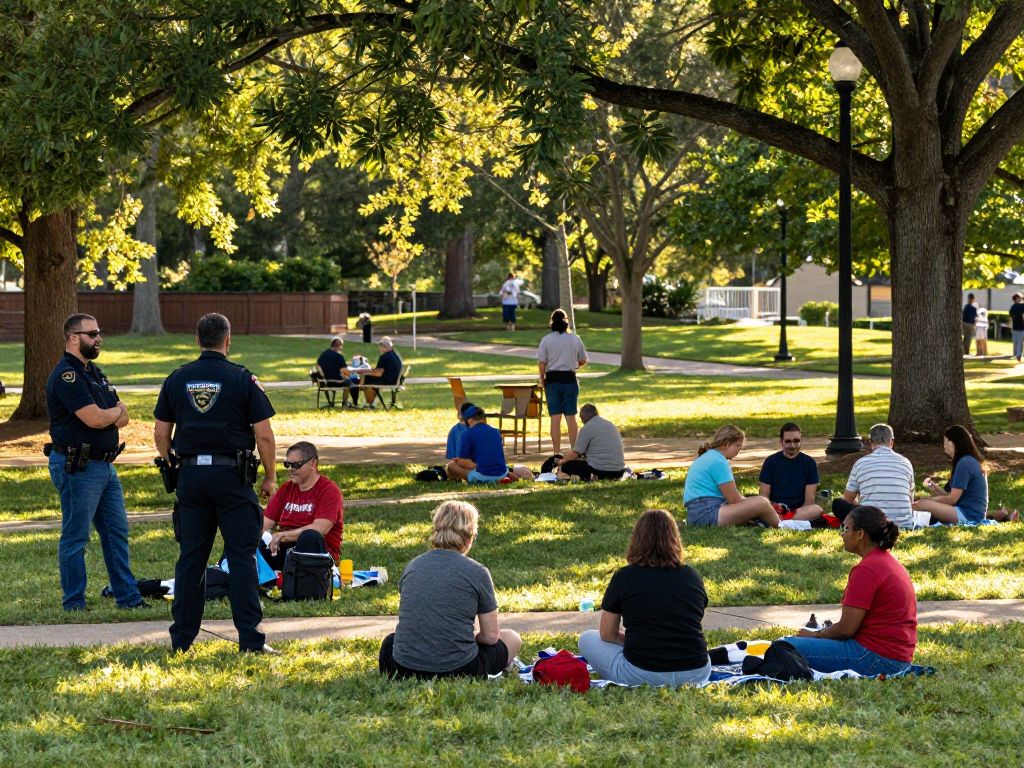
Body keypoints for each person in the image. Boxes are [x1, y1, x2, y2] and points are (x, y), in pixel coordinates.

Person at [154, 313, 278, 654]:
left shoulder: (177, 378)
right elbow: (264, 436)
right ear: (228, 339)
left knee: (191, 559)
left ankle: (181, 641)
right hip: (232, 478)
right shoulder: (242, 378)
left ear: (197, 340)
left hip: (191, 478)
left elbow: (161, 434)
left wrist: (173, 466)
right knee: (241, 559)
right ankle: (251, 642)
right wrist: (270, 476)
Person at [45, 314, 146, 612]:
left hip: (104, 465)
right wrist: (113, 412)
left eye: (99, 333)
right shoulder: (67, 376)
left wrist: (111, 413)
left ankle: (128, 598)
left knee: (117, 533)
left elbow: (123, 417)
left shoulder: (95, 373)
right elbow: (95, 417)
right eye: (92, 334)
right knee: (76, 536)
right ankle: (74, 603)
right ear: (73, 338)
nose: (99, 338)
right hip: (78, 466)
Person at [379, 501, 522, 679]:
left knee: (390, 641)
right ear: (471, 536)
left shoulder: (413, 566)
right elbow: (492, 636)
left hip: (404, 667)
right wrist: (471, 638)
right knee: (512, 638)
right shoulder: (477, 572)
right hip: (460, 668)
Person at [578, 509, 712, 687]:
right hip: (697, 671)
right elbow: (688, 624)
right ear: (675, 539)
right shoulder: (692, 576)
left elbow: (607, 633)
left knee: (587, 638)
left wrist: (635, 640)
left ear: (637, 539)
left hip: (642, 673)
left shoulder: (624, 577)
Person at [784, 505, 917, 677]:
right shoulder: (886, 561)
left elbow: (846, 630)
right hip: (897, 659)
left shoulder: (867, 569)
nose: (842, 534)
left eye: (846, 528)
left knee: (786, 646)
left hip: (876, 659)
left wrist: (815, 635)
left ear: (860, 534)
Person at [260, 441, 343, 569]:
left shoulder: (329, 490)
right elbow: (265, 525)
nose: (291, 469)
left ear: (313, 463)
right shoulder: (286, 489)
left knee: (309, 536)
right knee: (249, 532)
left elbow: (319, 529)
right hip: (286, 549)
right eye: (288, 464)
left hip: (317, 553)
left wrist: (282, 535)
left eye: (296, 465)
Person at [683, 425, 780, 528]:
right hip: (707, 514)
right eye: (738, 446)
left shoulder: (708, 455)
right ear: (726, 444)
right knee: (762, 503)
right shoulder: (718, 461)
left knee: (751, 500)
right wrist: (753, 504)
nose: (739, 450)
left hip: (696, 515)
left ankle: (760, 522)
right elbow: (734, 500)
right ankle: (783, 526)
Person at [831, 423, 914, 528]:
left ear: (870, 442)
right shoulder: (906, 462)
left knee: (838, 504)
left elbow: (847, 500)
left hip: (870, 524)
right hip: (905, 523)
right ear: (892, 442)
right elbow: (911, 500)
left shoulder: (860, 463)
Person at [913, 425, 988, 526]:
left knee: (921, 504)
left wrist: (928, 501)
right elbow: (953, 496)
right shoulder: (968, 461)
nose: (944, 445)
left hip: (968, 515)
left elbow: (951, 500)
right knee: (922, 504)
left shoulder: (965, 463)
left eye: (945, 441)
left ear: (952, 443)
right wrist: (937, 489)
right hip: (968, 512)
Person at [537, 308, 588, 454]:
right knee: (571, 417)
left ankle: (556, 452)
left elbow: (542, 363)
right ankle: (574, 451)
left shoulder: (546, 340)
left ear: (552, 322)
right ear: (566, 321)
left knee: (555, 418)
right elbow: (583, 359)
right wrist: (575, 365)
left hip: (552, 380)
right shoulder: (574, 339)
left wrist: (542, 379)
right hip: (570, 379)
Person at [757, 422, 823, 521]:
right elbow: (764, 497)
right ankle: (783, 520)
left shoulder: (809, 463)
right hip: (775, 510)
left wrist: (797, 513)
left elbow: (809, 500)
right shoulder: (770, 462)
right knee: (758, 505)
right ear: (781, 442)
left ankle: (780, 521)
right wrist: (774, 509)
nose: (792, 445)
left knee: (817, 510)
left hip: (799, 511)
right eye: (788, 441)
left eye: (796, 441)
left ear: (801, 440)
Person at [556, 403, 625, 481]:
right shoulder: (611, 425)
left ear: (582, 418)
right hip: (619, 472)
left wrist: (562, 461)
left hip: (599, 471)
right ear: (597, 413)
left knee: (567, 465)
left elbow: (575, 454)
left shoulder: (586, 428)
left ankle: (586, 477)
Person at [446, 404, 509, 483]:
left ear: (469, 420)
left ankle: (463, 479)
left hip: (483, 476)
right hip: (502, 474)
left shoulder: (467, 434)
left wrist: (458, 461)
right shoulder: (496, 432)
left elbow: (462, 461)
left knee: (452, 465)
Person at [358, 336, 403, 408]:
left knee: (366, 379)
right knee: (368, 378)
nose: (379, 348)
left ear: (383, 347)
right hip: (395, 380)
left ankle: (368, 403)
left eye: (380, 346)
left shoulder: (384, 356)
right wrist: (369, 371)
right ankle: (370, 403)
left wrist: (365, 372)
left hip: (388, 381)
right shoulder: (395, 355)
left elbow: (378, 373)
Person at [315, 336, 358, 407]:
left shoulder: (322, 355)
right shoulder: (338, 356)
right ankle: (347, 403)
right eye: (342, 346)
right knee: (352, 384)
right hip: (336, 381)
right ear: (340, 346)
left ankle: (333, 401)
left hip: (323, 382)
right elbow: (346, 372)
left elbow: (318, 366)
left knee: (346, 380)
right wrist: (353, 371)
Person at [1009, 293, 1024, 362]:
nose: (1020, 299)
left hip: (1020, 327)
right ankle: (1016, 354)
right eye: (1018, 298)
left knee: (1019, 342)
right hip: (1016, 327)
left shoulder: (1019, 306)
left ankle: (1018, 355)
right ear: (1015, 299)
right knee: (1016, 342)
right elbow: (1011, 316)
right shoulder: (1015, 306)